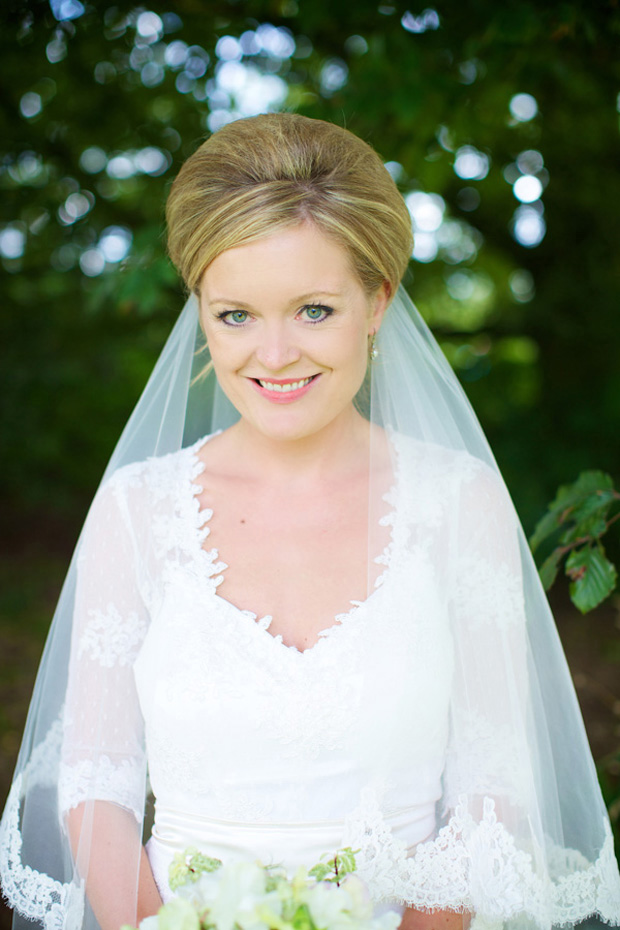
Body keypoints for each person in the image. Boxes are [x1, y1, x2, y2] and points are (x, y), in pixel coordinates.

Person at [1, 113, 619, 930]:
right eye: (236, 316)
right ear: (201, 315)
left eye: (315, 310)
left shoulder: (458, 502)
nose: (276, 354)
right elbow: (94, 784)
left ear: (378, 301)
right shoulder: (137, 510)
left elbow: (492, 788)